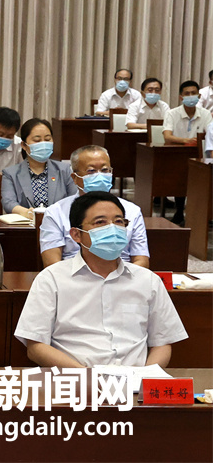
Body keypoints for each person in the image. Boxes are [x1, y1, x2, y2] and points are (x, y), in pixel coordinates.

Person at [14, 191, 187, 368]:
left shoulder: (148, 280)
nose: (112, 229)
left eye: (119, 222)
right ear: (76, 234)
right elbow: (36, 347)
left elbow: (162, 343)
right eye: (100, 222)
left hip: (135, 379)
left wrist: (146, 377)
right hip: (77, 378)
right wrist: (87, 376)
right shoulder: (51, 279)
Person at [40, 145, 149, 268]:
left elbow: (141, 261)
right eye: (91, 171)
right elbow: (52, 264)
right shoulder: (56, 212)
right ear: (75, 178)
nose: (99, 175)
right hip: (73, 274)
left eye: (105, 170)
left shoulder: (132, 211)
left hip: (122, 273)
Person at [0, 118, 78, 217]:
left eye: (47, 139)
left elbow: (74, 199)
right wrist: (27, 213)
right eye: (37, 140)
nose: (43, 144)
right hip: (26, 224)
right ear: (24, 145)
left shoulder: (64, 169)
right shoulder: (10, 173)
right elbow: (8, 202)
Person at [162, 80, 213, 224]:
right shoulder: (172, 113)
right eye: (187, 93)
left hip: (199, 155)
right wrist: (186, 140)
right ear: (181, 97)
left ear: (199, 96)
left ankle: (205, 214)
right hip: (177, 155)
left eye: (193, 93)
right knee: (180, 175)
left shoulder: (205, 114)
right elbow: (167, 136)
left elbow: (210, 134)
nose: (191, 96)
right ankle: (179, 212)